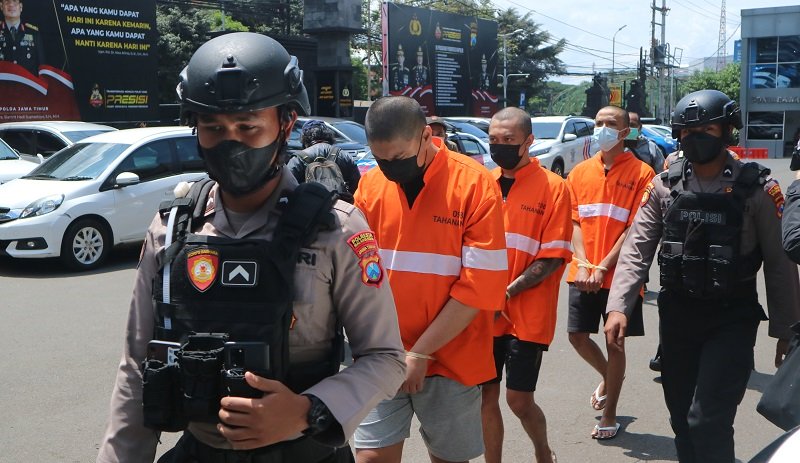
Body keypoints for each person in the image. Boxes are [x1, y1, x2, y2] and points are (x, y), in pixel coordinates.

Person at [96, 32, 406, 463]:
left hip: (305, 452)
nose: (231, 142)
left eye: (248, 126)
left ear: (286, 125)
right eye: (213, 128)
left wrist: (307, 411)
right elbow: (135, 365)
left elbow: (386, 358)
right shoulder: (171, 229)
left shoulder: (337, 229)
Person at [606, 89, 800, 463]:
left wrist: (786, 330)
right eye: (688, 131)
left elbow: (779, 263)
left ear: (728, 131)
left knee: (707, 421)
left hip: (732, 318)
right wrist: (619, 306)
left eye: (708, 128)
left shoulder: (757, 188)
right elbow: (636, 248)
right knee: (682, 421)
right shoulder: (665, 185)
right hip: (678, 316)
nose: (696, 138)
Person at [353, 96, 508, 463]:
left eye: (399, 158)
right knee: (370, 457)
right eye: (381, 159)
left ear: (426, 136)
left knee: (448, 459)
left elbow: (479, 286)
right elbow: (355, 273)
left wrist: (421, 352)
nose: (390, 168)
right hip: (382, 354)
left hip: (452, 356)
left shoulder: (474, 185)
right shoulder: (370, 187)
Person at [481, 107, 572, 463]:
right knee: (486, 396)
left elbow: (551, 258)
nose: (500, 146)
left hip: (527, 314)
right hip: (484, 313)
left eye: (509, 140)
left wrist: (506, 291)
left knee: (518, 400)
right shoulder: (483, 184)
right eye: (494, 140)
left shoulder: (554, 187)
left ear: (529, 142)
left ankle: (542, 451)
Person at [565, 105, 655, 440]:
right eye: (598, 122)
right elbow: (573, 221)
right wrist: (587, 263)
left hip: (620, 275)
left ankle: (610, 412)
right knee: (576, 336)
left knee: (614, 341)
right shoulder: (579, 173)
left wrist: (604, 267)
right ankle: (610, 376)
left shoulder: (643, 173)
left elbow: (635, 229)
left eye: (611, 124)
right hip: (584, 271)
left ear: (624, 132)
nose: (602, 128)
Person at [286, 119, 361, 201]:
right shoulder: (344, 156)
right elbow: (358, 186)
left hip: (309, 210)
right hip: (340, 209)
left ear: (304, 139)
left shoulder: (298, 159)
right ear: (329, 135)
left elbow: (288, 187)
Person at [0, 0, 44, 76]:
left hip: (27, 86)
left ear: (21, 7)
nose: (11, 4)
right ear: (1, 6)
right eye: (7, 1)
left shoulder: (33, 33)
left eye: (14, 1)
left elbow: (42, 67)